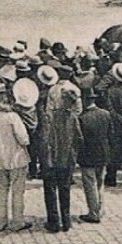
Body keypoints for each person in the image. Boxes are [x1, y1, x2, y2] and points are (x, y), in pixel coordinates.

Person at [0, 80, 31, 232]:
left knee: (2, 190)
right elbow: (24, 138)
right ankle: (17, 221)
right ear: (4, 96)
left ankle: (0, 221)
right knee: (17, 191)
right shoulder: (12, 116)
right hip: (16, 158)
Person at [41, 84, 83, 232]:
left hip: (52, 160)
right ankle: (66, 221)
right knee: (65, 191)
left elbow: (46, 140)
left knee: (50, 191)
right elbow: (79, 138)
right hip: (67, 161)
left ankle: (53, 222)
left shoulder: (51, 116)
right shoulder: (73, 118)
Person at [76, 88, 111, 223]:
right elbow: (110, 134)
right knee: (100, 183)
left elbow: (79, 140)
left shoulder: (82, 118)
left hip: (88, 156)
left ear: (84, 101)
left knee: (90, 185)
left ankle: (93, 212)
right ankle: (101, 209)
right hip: (103, 154)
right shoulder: (106, 114)